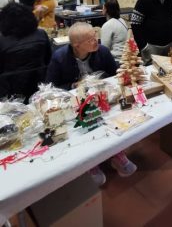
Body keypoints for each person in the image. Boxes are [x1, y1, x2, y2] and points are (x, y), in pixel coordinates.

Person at [46, 22, 135, 184]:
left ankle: (117, 153)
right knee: (82, 131)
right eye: (90, 39)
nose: (96, 40)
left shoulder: (103, 51)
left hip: (103, 99)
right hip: (74, 105)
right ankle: (90, 163)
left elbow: (115, 74)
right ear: (76, 45)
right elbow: (52, 87)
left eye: (96, 35)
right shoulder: (59, 57)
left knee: (116, 122)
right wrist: (73, 86)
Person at [0, 3, 51, 101]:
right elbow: (48, 59)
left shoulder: (2, 41)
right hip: (41, 85)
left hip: (11, 91)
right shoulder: (41, 34)